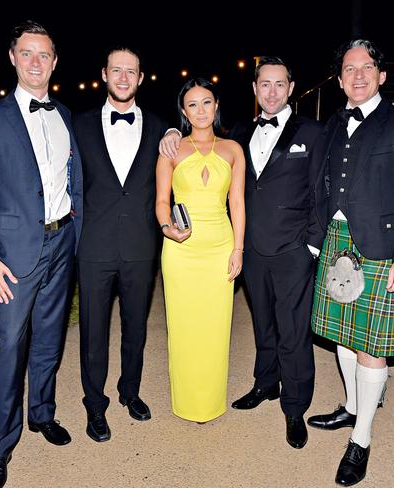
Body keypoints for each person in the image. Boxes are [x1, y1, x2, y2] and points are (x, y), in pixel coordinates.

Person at [160, 58, 322, 447]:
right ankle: (265, 383)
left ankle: (295, 406)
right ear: (254, 89)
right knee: (263, 322)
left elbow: (322, 188)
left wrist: (313, 245)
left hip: (293, 248)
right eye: (264, 84)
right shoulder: (241, 132)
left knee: (293, 329)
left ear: (291, 87)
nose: (271, 91)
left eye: (279, 84)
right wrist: (170, 129)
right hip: (250, 248)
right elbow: (199, 139)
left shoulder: (314, 132)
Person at [307, 39, 394, 486]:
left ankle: (361, 439)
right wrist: (315, 238)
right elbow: (318, 184)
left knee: (371, 346)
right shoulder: (332, 123)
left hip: (381, 248)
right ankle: (353, 406)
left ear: (381, 75)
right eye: (348, 69)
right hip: (335, 240)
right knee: (342, 334)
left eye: (366, 67)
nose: (357, 75)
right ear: (339, 79)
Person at [0, 20, 83, 488]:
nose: (37, 63)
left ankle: (42, 414)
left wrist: (76, 229)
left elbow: (68, 179)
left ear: (55, 61)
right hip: (12, 255)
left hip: (61, 243)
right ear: (13, 57)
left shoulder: (66, 114)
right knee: (11, 346)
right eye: (27, 53)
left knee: (50, 340)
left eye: (45, 55)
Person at [73, 47, 167, 442]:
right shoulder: (77, 125)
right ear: (104, 74)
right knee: (93, 331)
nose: (124, 78)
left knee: (136, 327)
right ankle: (95, 405)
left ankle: (130, 391)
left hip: (141, 246)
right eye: (117, 70)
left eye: (131, 71)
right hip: (93, 246)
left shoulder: (164, 129)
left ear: (142, 78)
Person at [156, 78, 245, 423]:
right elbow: (162, 201)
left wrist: (239, 248)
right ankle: (187, 401)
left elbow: (237, 203)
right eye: (192, 104)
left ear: (216, 105)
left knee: (215, 328)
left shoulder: (233, 149)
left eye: (206, 102)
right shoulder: (171, 150)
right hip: (180, 252)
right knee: (183, 328)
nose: (201, 110)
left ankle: (209, 402)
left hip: (220, 249)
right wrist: (168, 228)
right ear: (183, 111)